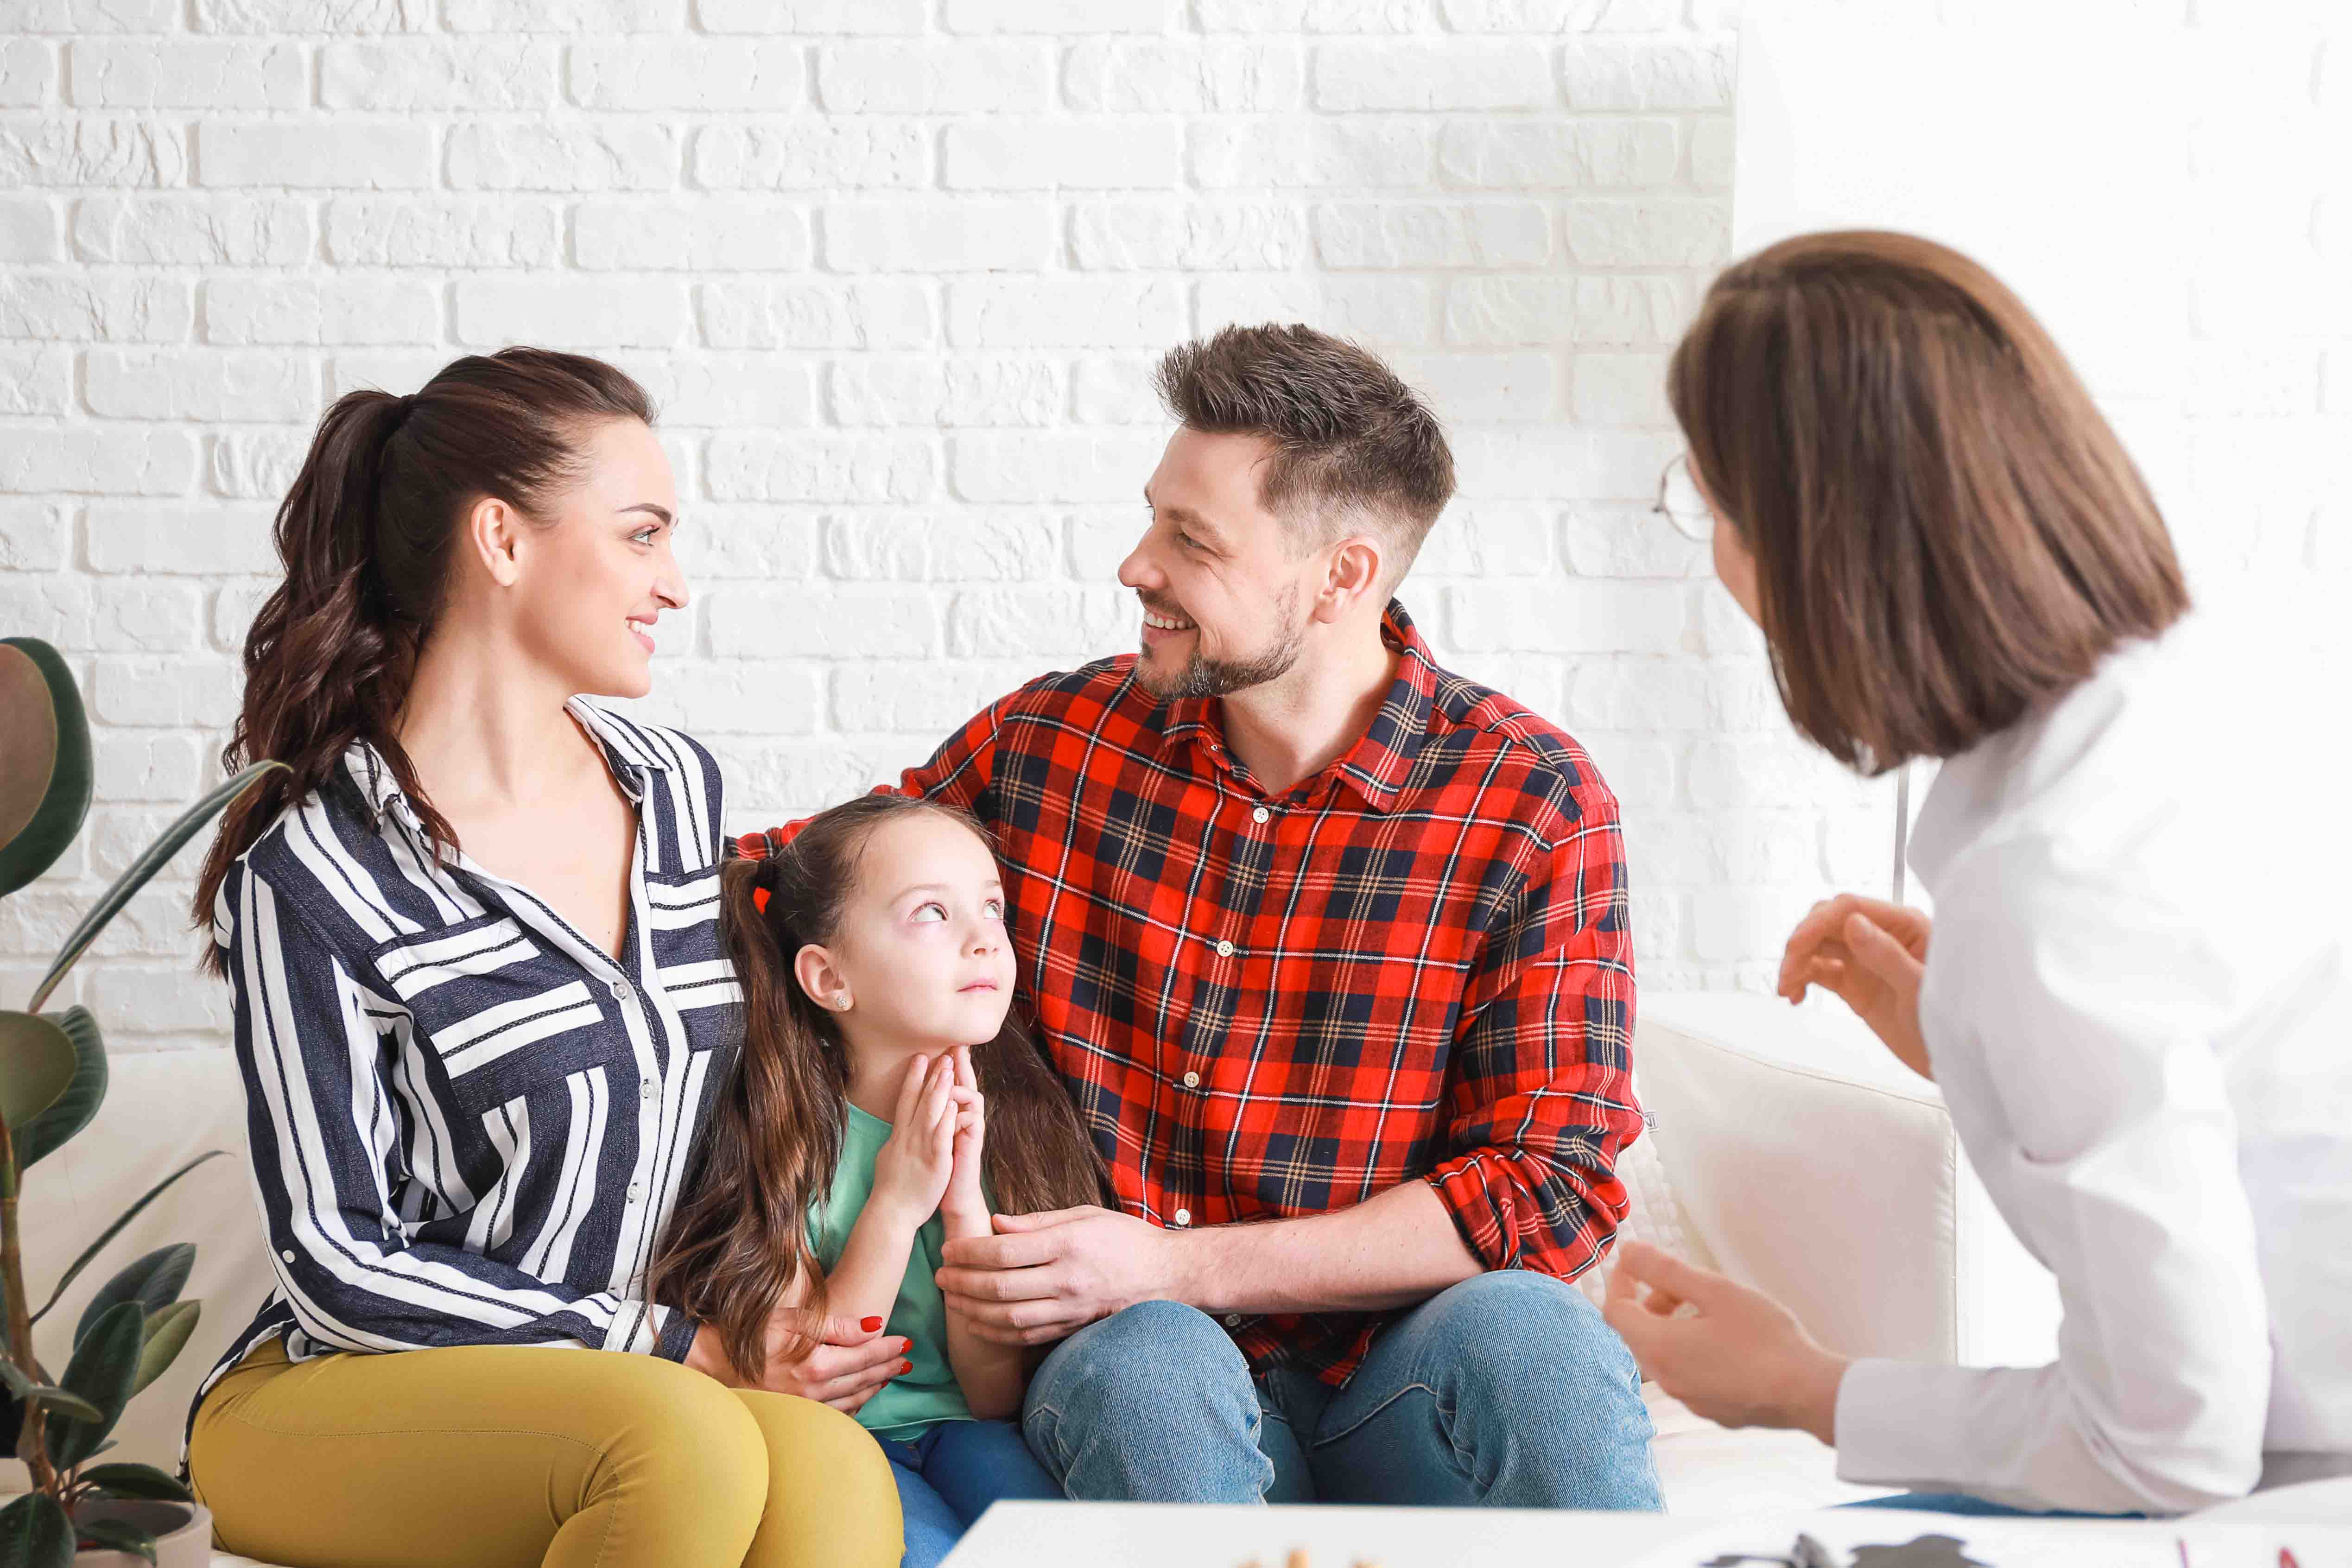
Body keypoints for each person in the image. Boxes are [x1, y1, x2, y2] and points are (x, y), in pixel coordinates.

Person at [748, 324, 1661, 1510]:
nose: (1137, 566)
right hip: (1133, 1379)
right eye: (1153, 520)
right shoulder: (1055, 744)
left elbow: (1553, 1186)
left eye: (1192, 539)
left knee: (1534, 1342)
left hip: (1397, 1380)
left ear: (1344, 575)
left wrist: (1170, 1264)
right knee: (1150, 1363)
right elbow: (796, 881)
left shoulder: (1533, 801)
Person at [1604, 229, 2352, 1517]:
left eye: (1712, 504)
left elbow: (2164, 1447)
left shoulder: (2043, 889)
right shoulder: (2202, 697)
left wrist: (1802, 1386)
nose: (1715, 551)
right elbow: (2236, 1085)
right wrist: (1973, 1043)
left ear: (1813, 542)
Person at [185, 348, 901, 1567]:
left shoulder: (673, 791)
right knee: (683, 1442)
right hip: (340, 1398)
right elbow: (340, 1262)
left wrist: (756, 1299)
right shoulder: (314, 878)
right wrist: (672, 1347)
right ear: (502, 542)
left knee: (833, 1473)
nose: (672, 584)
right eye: (641, 536)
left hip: (631, 1391)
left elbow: (706, 1116)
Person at [651, 794, 1104, 1567]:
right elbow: (823, 1377)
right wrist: (897, 1202)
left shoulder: (1017, 1129)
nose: (984, 942)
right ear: (829, 979)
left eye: (992, 909)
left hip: (970, 1430)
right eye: (932, 913)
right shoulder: (787, 1136)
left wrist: (964, 1213)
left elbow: (994, 1398)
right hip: (839, 1444)